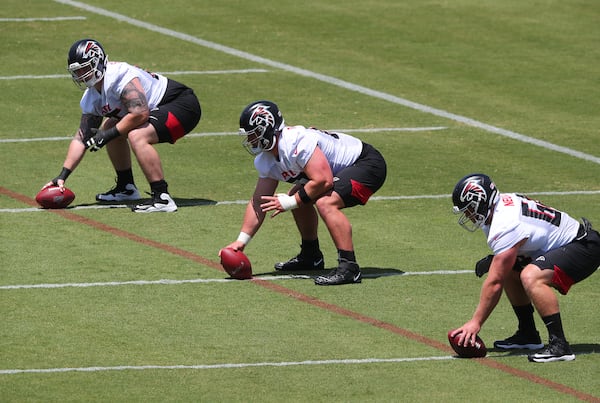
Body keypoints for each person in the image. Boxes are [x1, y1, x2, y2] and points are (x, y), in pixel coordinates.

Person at [221, 100, 387, 285]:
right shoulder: (266, 160)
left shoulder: (295, 142)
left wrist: (292, 202)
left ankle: (349, 268)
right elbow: (258, 202)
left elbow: (323, 180)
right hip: (337, 171)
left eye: (253, 134)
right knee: (299, 196)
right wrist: (240, 241)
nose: (250, 140)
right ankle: (311, 255)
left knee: (324, 202)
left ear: (266, 128)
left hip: (366, 164)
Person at [449, 173, 600, 362]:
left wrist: (475, 322)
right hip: (571, 244)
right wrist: (496, 259)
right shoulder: (502, 205)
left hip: (583, 247)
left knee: (530, 276)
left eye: (469, 209)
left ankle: (560, 345)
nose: (468, 215)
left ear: (480, 200)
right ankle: (528, 334)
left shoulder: (504, 224)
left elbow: (494, 283)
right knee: (510, 270)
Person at [42, 38, 201, 212]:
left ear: (98, 62)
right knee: (111, 126)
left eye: (85, 69)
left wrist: (108, 134)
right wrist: (62, 175)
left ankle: (162, 197)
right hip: (159, 108)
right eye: (78, 72)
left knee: (135, 135)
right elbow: (81, 138)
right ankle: (126, 188)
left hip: (183, 106)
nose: (82, 75)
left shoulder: (118, 76)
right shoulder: (91, 98)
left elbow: (140, 113)